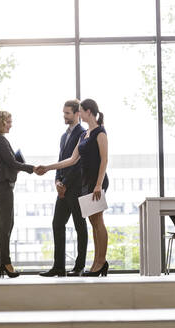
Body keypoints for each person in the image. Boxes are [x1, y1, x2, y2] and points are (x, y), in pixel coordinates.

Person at [38, 98, 109, 277]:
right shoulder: (84, 135)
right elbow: (71, 160)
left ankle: (100, 262)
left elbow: (105, 160)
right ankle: (97, 263)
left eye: (81, 111)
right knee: (93, 223)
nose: (81, 114)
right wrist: (47, 168)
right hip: (87, 184)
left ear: (88, 112)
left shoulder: (100, 132)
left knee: (98, 222)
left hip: (97, 183)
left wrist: (99, 184)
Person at [39, 100, 88, 277]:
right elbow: (61, 160)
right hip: (63, 187)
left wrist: (65, 183)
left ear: (77, 114)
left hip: (75, 187)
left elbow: (78, 164)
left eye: (67, 113)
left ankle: (79, 266)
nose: (64, 116)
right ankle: (58, 266)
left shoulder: (83, 134)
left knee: (79, 226)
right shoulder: (63, 136)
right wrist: (57, 181)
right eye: (64, 113)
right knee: (57, 224)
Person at [0, 111, 38, 278]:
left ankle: (2, 261)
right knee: (6, 225)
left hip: (0, 185)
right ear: (1, 122)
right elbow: (11, 162)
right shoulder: (0, 140)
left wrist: (9, 165)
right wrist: (32, 168)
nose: (11, 124)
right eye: (8, 121)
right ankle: (6, 263)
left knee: (7, 224)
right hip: (3, 186)